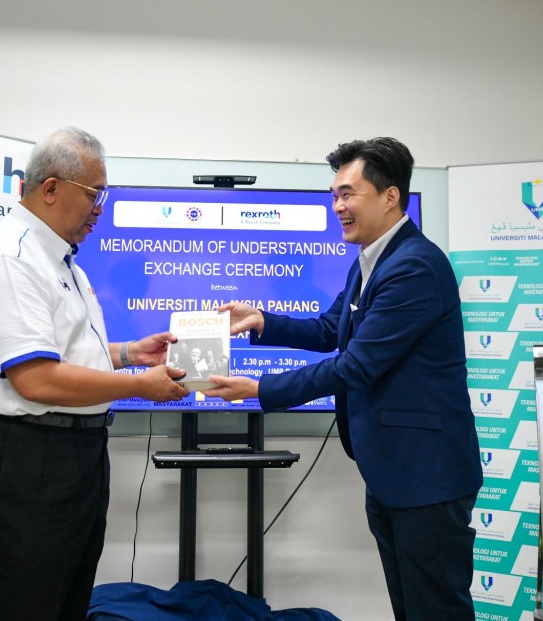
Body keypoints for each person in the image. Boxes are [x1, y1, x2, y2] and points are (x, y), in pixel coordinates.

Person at [205, 137, 483, 621]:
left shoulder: (414, 266)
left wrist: (260, 389)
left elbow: (355, 365)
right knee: (411, 607)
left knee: (435, 609)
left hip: (428, 476)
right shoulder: (372, 261)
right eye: (335, 195)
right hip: (395, 471)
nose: (338, 206)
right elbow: (333, 329)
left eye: (348, 194)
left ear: (390, 196)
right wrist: (261, 320)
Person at [0, 126, 188, 621]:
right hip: (24, 457)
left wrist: (128, 354)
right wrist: (139, 388)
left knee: (65, 601)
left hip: (72, 454)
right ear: (52, 188)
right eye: (93, 194)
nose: (100, 208)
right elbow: (37, 379)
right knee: (20, 604)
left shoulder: (62, 262)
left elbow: (66, 351)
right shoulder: (10, 259)